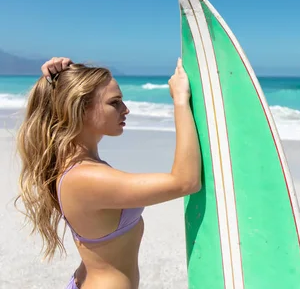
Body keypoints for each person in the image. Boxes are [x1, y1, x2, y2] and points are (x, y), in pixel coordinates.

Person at [14, 57, 201, 288]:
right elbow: (186, 182)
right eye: (115, 103)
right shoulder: (84, 177)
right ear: (80, 109)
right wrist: (181, 101)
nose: (126, 109)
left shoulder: (77, 166)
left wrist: (61, 77)